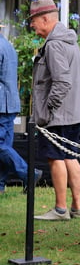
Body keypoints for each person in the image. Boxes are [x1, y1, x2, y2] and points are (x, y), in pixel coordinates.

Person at [29, 0, 80, 220]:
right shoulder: (69, 40)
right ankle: (77, 207)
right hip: (74, 111)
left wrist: (47, 108)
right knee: (69, 156)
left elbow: (62, 82)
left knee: (56, 157)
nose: (32, 25)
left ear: (46, 18)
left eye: (33, 20)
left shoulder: (54, 44)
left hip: (59, 114)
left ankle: (61, 209)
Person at [0, 29, 42, 195]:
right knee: (5, 145)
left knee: (1, 145)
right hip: (9, 102)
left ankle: (29, 174)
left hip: (2, 104)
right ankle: (1, 185)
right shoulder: (7, 45)